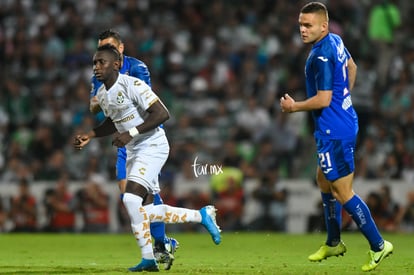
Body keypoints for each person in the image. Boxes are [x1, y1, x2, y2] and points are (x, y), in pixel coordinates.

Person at [74, 44, 221, 272]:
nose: (96, 67)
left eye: (101, 62)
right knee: (139, 207)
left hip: (152, 145)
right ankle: (159, 251)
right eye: (94, 63)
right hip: (134, 151)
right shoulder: (102, 95)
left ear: (116, 64)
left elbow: (162, 113)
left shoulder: (133, 85)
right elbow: (114, 121)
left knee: (131, 201)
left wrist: (130, 133)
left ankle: (188, 226)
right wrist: (91, 134)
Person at [280, 2, 393, 272]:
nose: (302, 30)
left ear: (323, 25)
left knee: (343, 192)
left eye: (308, 25)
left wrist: (293, 107)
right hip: (339, 124)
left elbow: (323, 98)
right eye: (300, 25)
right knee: (323, 178)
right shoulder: (336, 41)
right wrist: (345, 98)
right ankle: (333, 241)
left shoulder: (321, 55)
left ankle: (379, 246)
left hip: (334, 132)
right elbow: (352, 68)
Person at [89, 29, 177, 269]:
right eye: (101, 47)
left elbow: (145, 102)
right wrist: (99, 102)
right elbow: (93, 106)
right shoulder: (99, 70)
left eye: (109, 46)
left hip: (144, 138)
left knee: (140, 195)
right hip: (123, 142)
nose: (103, 53)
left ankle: (160, 243)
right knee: (129, 197)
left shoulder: (137, 68)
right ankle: (159, 245)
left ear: (121, 48)